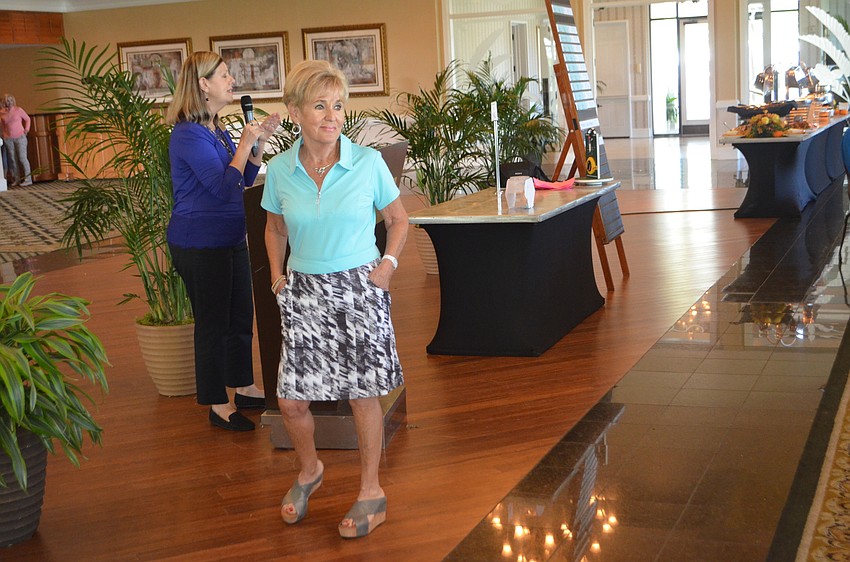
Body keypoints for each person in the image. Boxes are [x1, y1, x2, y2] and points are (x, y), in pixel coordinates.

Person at [262, 60, 408, 538]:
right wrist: (279, 278)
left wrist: (386, 267)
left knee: (363, 396)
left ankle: (371, 492)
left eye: (339, 105)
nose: (332, 115)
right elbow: (274, 227)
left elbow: (399, 219)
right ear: (295, 112)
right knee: (290, 401)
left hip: (360, 288)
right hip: (304, 292)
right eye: (320, 105)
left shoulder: (366, 163)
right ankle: (310, 470)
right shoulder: (281, 171)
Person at [166, 51, 281, 431]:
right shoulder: (187, 134)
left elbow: (244, 180)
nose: (232, 81)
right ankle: (217, 403)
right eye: (225, 75)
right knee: (213, 323)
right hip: (199, 243)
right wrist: (245, 142)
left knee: (239, 317)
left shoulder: (216, 129)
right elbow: (220, 187)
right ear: (203, 84)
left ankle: (244, 386)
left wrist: (258, 142)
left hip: (231, 236)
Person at [0, 94, 32, 187]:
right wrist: (3, 135)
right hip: (8, 139)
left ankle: (28, 179)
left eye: (9, 100)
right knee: (13, 160)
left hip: (20, 137)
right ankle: (16, 179)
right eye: (6, 101)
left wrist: (26, 129)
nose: (8, 102)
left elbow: (27, 119)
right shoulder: (1, 112)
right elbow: (2, 125)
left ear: (13, 101)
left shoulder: (18, 110)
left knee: (22, 158)